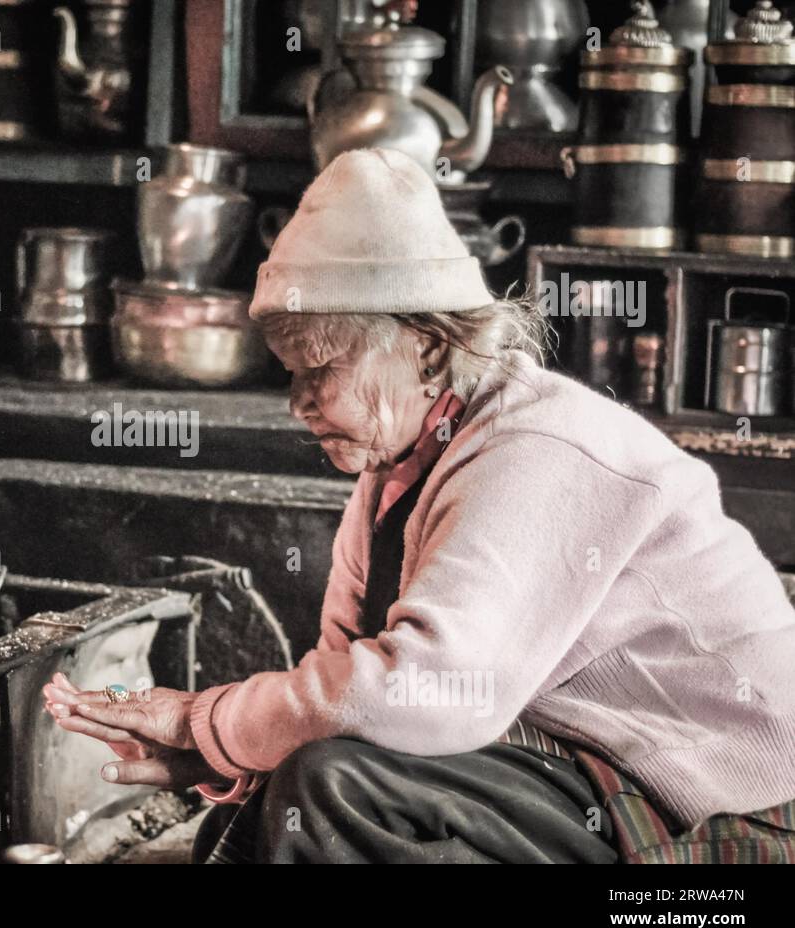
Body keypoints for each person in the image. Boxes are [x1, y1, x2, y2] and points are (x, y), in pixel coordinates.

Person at [44, 148, 795, 863]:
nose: (299, 402)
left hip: (722, 791)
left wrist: (203, 719)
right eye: (289, 373)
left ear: (429, 350)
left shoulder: (538, 445)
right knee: (281, 798)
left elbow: (421, 690)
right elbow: (343, 689)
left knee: (331, 789)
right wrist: (213, 753)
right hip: (579, 758)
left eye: (319, 368)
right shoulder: (396, 470)